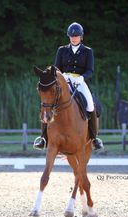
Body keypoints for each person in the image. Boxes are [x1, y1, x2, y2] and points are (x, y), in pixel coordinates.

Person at [33, 22, 104, 151]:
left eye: (76, 36)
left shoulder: (87, 51)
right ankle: (43, 138)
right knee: (47, 103)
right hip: (64, 81)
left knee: (90, 104)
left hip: (80, 81)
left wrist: (81, 77)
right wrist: (61, 76)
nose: (74, 38)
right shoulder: (62, 50)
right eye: (71, 36)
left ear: (81, 37)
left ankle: (94, 138)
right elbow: (56, 68)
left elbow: (90, 70)